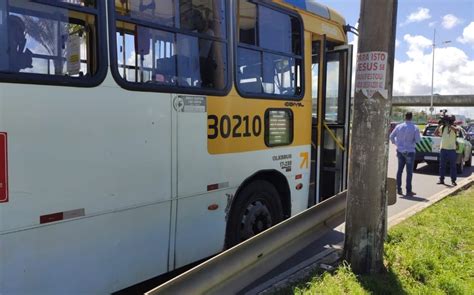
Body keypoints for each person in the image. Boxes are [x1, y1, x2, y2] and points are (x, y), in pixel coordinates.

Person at [390, 112, 421, 196]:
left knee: (400, 170)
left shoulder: (399, 126)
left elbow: (391, 136)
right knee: (409, 172)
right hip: (410, 151)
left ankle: (398, 189)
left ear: (405, 117)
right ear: (411, 117)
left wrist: (397, 144)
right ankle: (408, 190)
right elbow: (418, 140)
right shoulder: (415, 128)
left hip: (400, 151)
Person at [434, 116, 459, 186]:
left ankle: (453, 180)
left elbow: (457, 130)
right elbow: (435, 133)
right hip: (443, 149)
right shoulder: (443, 127)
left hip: (452, 149)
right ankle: (441, 179)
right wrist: (439, 125)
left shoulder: (455, 127)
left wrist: (449, 125)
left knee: (453, 166)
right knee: (442, 165)